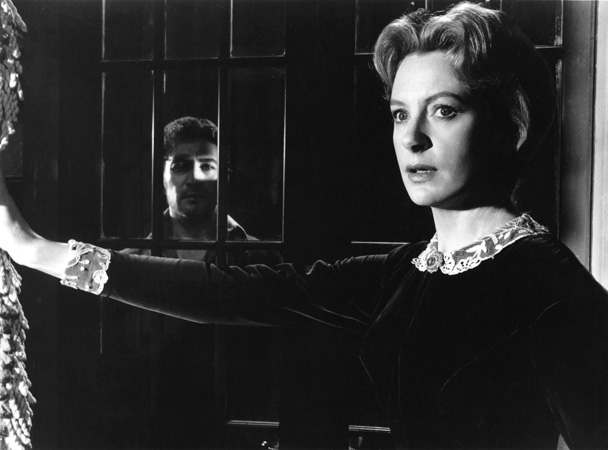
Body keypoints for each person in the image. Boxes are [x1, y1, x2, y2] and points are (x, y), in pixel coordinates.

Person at [0, 2, 606, 449]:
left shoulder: (551, 289)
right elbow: (233, 292)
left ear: (512, 124)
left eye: (444, 110)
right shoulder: (404, 273)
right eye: (400, 114)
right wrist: (36, 250)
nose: (412, 138)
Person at [116, 116, 281, 447]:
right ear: (162, 176)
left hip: (238, 437)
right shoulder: (130, 263)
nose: (193, 178)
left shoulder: (263, 260)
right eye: (180, 166)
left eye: (207, 166)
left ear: (224, 177)